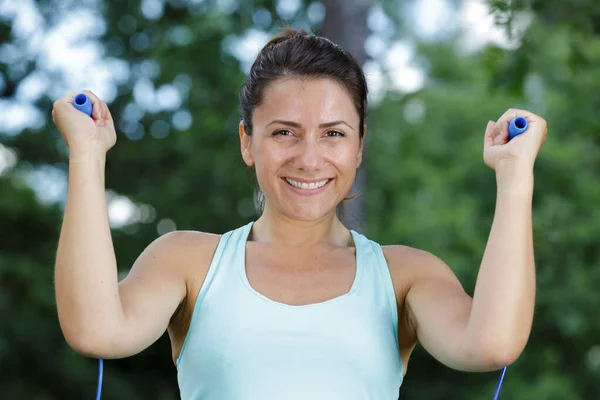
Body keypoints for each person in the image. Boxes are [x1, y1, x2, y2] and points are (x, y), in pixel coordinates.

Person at [52, 28, 547, 400]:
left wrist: (515, 174)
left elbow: (493, 344)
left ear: (359, 147)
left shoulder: (405, 276)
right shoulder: (188, 262)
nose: (309, 159)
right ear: (248, 142)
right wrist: (87, 153)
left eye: (333, 134)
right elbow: (96, 330)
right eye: (284, 132)